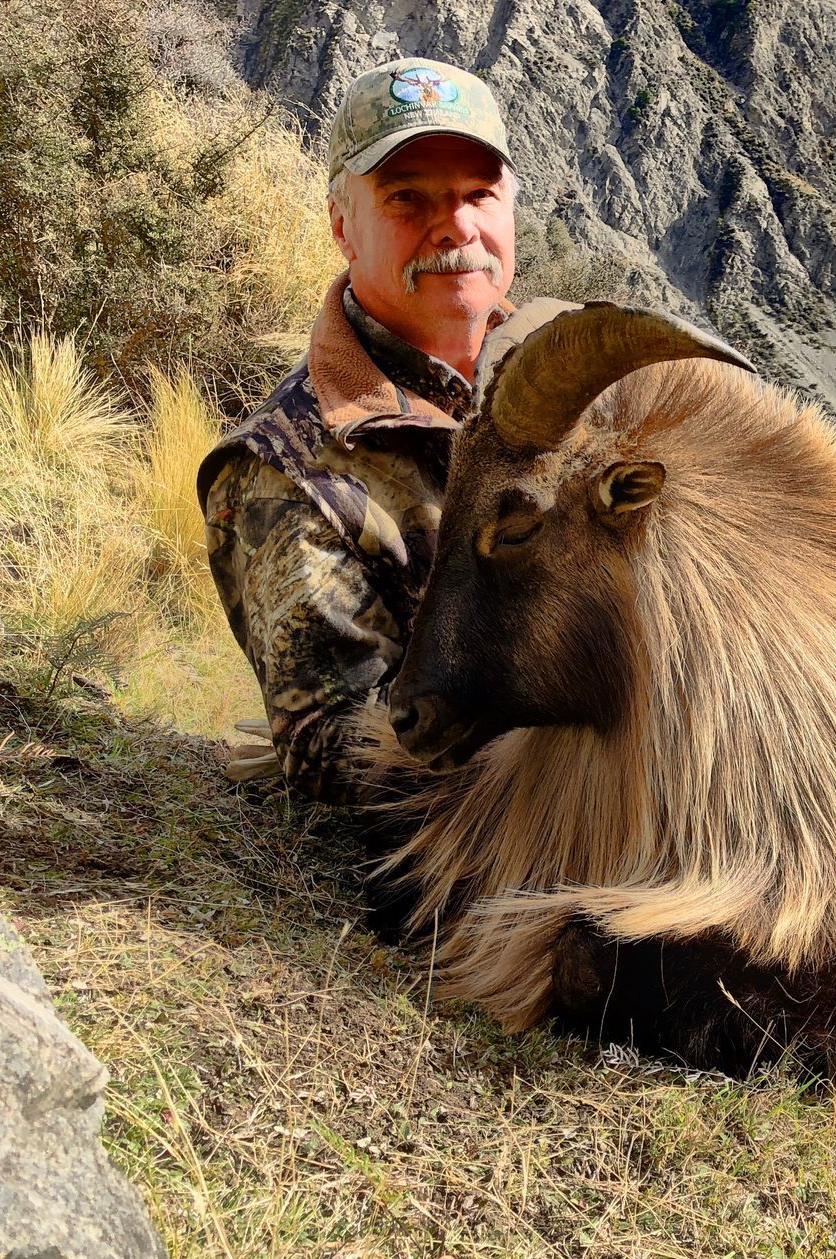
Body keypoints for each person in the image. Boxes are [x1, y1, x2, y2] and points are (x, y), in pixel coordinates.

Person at [197, 58, 518, 801]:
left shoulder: (571, 375)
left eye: (479, 193)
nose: (458, 225)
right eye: (407, 198)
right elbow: (345, 755)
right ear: (343, 226)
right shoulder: (289, 473)